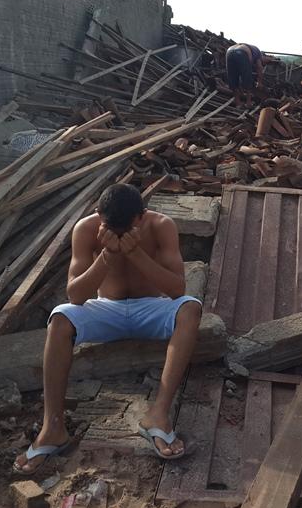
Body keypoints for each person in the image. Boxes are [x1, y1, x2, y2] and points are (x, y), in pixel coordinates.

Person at [13, 184, 202, 474]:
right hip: (106, 308)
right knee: (60, 318)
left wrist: (136, 253)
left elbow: (177, 289)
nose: (115, 234)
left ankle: (158, 414)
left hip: (151, 306)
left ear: (140, 218)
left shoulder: (162, 225)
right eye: (108, 227)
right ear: (99, 216)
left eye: (125, 229)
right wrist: (108, 256)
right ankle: (53, 427)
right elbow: (76, 296)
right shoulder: (85, 229)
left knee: (191, 308)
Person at [225, 43, 275, 107]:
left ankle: (237, 102)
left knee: (233, 78)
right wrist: (259, 83)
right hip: (242, 52)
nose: (264, 64)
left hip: (229, 51)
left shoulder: (252, 50)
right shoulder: (258, 54)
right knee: (248, 79)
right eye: (265, 62)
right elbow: (259, 68)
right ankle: (248, 103)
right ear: (264, 57)